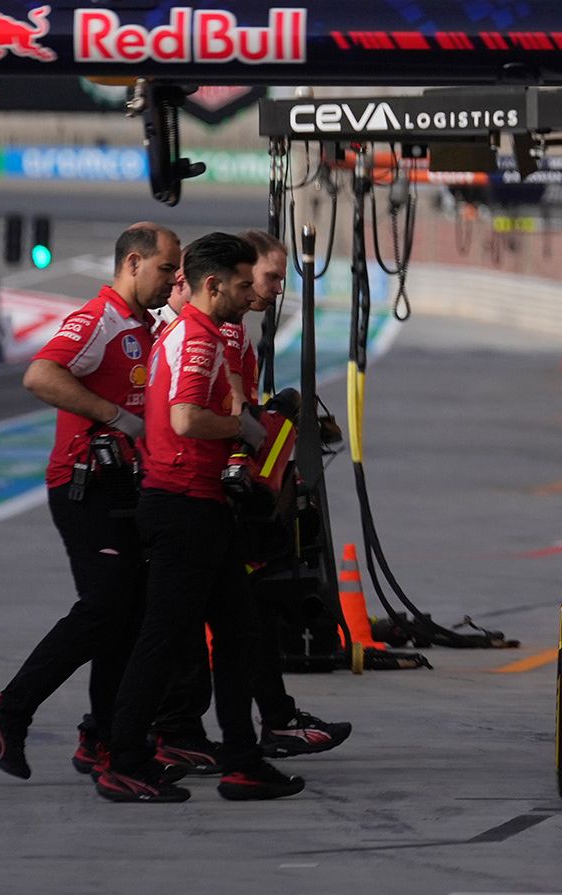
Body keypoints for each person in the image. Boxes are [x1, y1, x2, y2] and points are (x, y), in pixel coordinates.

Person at [95, 233, 305, 803]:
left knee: (239, 634)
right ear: (214, 285)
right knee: (162, 638)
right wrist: (244, 427)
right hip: (182, 504)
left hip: (198, 504)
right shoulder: (197, 338)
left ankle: (242, 761)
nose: (248, 294)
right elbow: (186, 419)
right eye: (242, 283)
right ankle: (124, 758)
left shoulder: (197, 332)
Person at [0, 223, 181, 780]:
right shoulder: (100, 318)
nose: (172, 279)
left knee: (127, 614)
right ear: (134, 263)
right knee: (105, 607)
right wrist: (113, 416)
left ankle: (102, 738)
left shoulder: (143, 324)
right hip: (84, 485)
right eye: (166, 269)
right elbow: (40, 375)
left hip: (124, 487)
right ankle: (7, 713)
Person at [149, 231, 352, 775]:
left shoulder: (227, 328)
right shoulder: (199, 331)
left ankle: (243, 737)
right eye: (265, 279)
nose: (274, 290)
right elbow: (193, 416)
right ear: (228, 280)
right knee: (169, 626)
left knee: (239, 617)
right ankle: (150, 734)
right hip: (183, 491)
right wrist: (255, 432)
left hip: (210, 492)